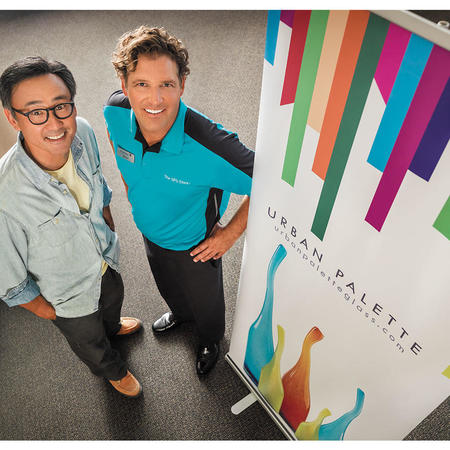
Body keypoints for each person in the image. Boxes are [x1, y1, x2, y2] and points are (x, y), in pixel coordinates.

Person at [104, 26, 254, 376]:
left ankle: (209, 339)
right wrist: (130, 186)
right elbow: (118, 144)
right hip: (149, 231)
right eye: (141, 84)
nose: (154, 100)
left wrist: (229, 234)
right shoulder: (114, 111)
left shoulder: (212, 145)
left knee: (207, 306)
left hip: (195, 245)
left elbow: (269, 184)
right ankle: (181, 314)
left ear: (181, 85)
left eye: (166, 85)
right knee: (168, 286)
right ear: (125, 85)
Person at [0, 57, 143, 398]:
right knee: (89, 341)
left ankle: (111, 326)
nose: (55, 123)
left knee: (112, 304)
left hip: (106, 259)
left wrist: (107, 218)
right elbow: (8, 277)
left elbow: (100, 183)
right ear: (12, 118)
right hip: (67, 298)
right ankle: (112, 369)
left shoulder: (85, 131)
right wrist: (50, 311)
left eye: (60, 106)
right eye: (36, 112)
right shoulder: (5, 194)